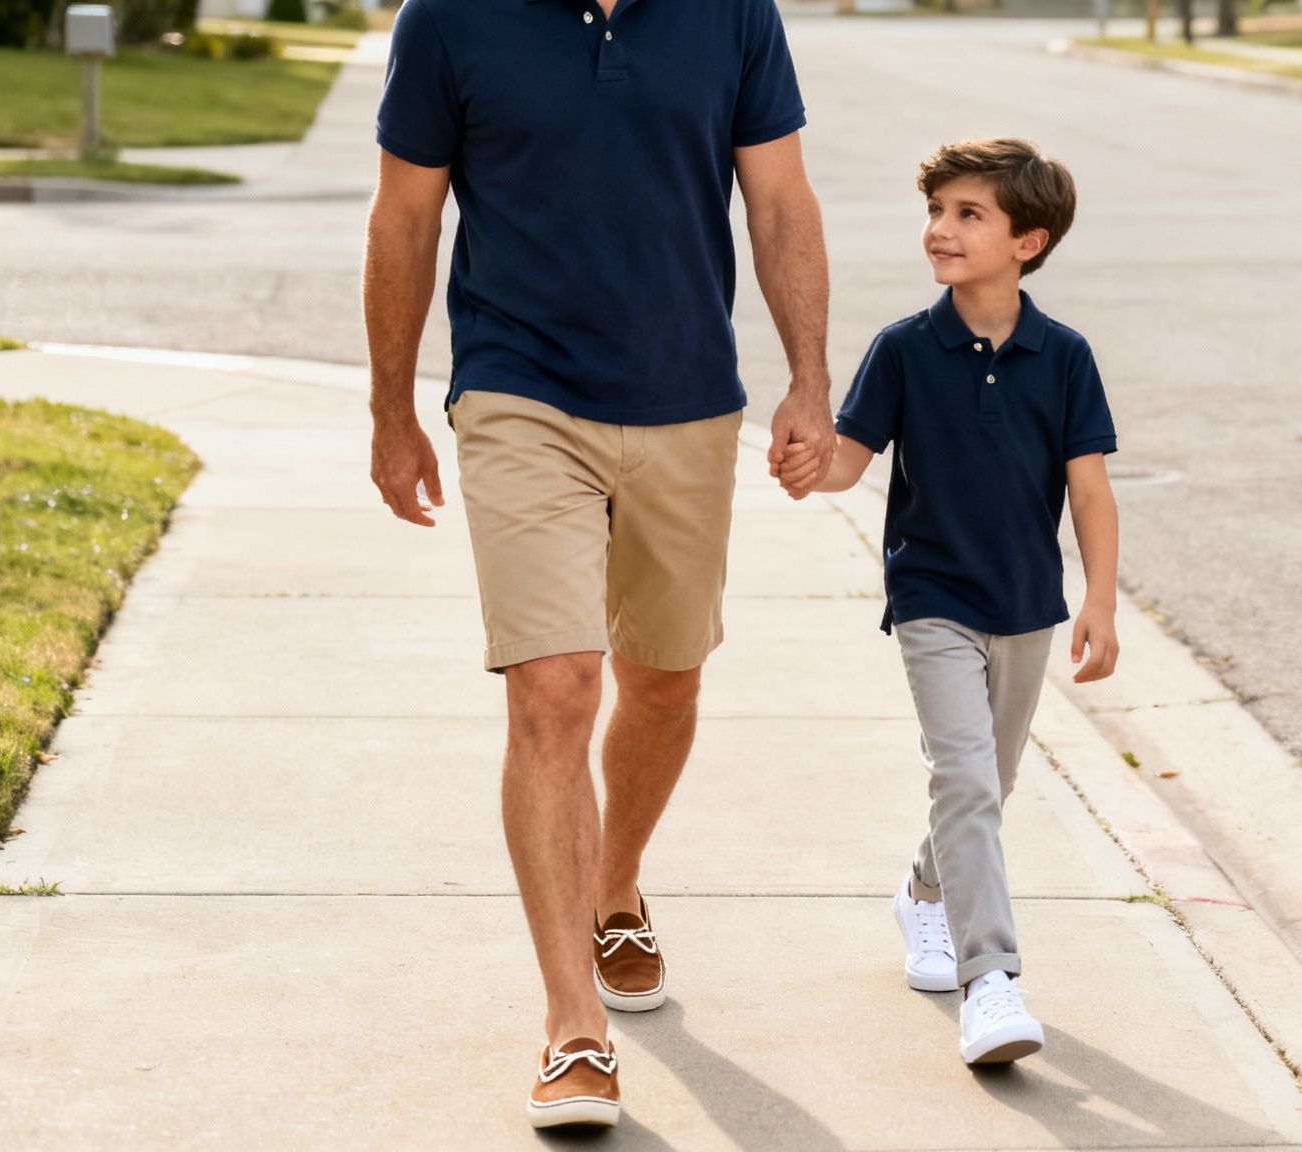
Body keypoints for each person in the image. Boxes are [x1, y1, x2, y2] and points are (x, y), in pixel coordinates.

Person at [362, 0, 834, 1129]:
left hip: (685, 397)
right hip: (518, 389)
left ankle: (611, 884)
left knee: (664, 680)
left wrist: (808, 379)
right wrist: (390, 409)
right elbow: (405, 218)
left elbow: (778, 202)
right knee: (555, 688)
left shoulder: (731, 14)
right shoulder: (449, 20)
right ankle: (572, 1027)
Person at [781, 136, 1121, 1065]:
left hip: (1027, 603)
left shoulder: (1064, 357)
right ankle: (992, 982)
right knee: (965, 778)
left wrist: (1100, 601)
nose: (940, 230)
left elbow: (1089, 489)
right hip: (932, 596)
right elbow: (851, 461)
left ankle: (926, 892)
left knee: (991, 782)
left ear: (1029, 241)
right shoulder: (903, 350)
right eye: (936, 212)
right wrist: (811, 466)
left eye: (968, 215)